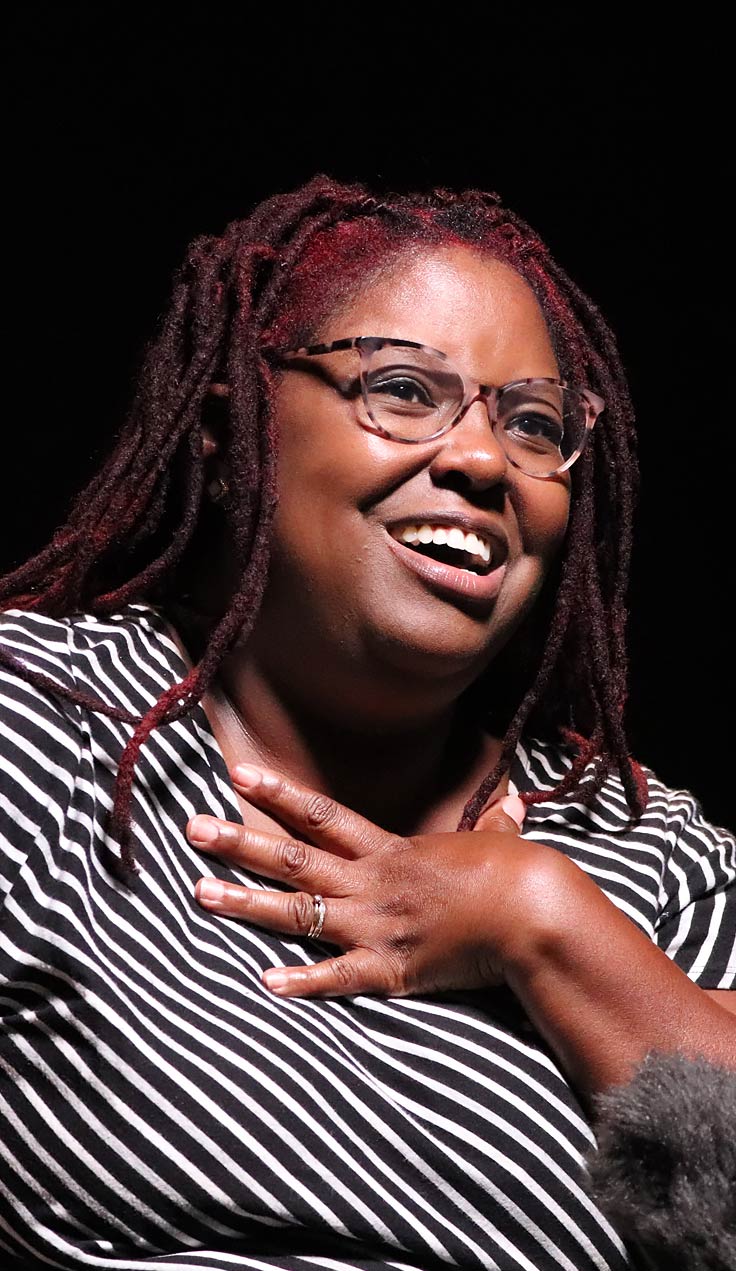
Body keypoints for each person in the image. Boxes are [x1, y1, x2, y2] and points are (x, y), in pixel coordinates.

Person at [0, 174, 733, 1271]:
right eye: (400, 388)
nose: (484, 461)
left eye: (532, 423)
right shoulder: (43, 731)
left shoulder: (641, 845)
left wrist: (536, 917)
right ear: (228, 424)